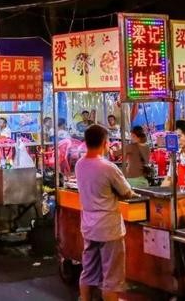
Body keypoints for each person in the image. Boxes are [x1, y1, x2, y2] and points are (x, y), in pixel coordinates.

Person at [76, 125, 138, 301]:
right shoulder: (108, 167)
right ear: (105, 143)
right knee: (112, 277)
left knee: (88, 270)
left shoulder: (80, 164)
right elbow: (127, 192)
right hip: (109, 228)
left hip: (88, 225)